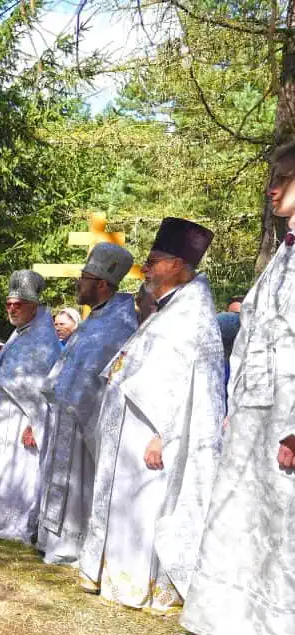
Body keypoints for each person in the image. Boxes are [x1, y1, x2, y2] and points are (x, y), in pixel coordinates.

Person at [180, 144, 295, 635]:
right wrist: (236, 403)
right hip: (255, 407)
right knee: (245, 514)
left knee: (281, 520)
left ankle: (279, 630)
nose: (273, 187)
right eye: (273, 176)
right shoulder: (282, 256)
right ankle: (233, 619)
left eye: (285, 177)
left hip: (285, 412)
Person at [79, 217, 224, 613]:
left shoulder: (192, 315)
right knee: (127, 503)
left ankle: (140, 584)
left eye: (154, 260)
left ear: (177, 264)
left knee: (146, 507)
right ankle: (115, 577)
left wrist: (165, 435)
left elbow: (191, 387)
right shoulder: (168, 309)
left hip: (153, 436)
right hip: (131, 432)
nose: (146, 267)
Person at [37, 243, 138, 566]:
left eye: (84, 278)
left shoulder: (119, 325)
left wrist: (75, 399)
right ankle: (54, 539)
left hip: (89, 419)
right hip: (68, 414)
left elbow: (105, 376)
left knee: (82, 481)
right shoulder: (94, 320)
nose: (78, 283)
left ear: (102, 284)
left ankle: (75, 543)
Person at [0, 270, 61, 544]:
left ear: (33, 306)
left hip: (23, 421)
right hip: (3, 417)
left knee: (20, 469)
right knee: (2, 468)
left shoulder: (44, 340)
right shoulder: (19, 334)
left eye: (18, 305)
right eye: (9, 304)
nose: (12, 309)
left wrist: (35, 423)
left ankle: (18, 525)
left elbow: (43, 389)